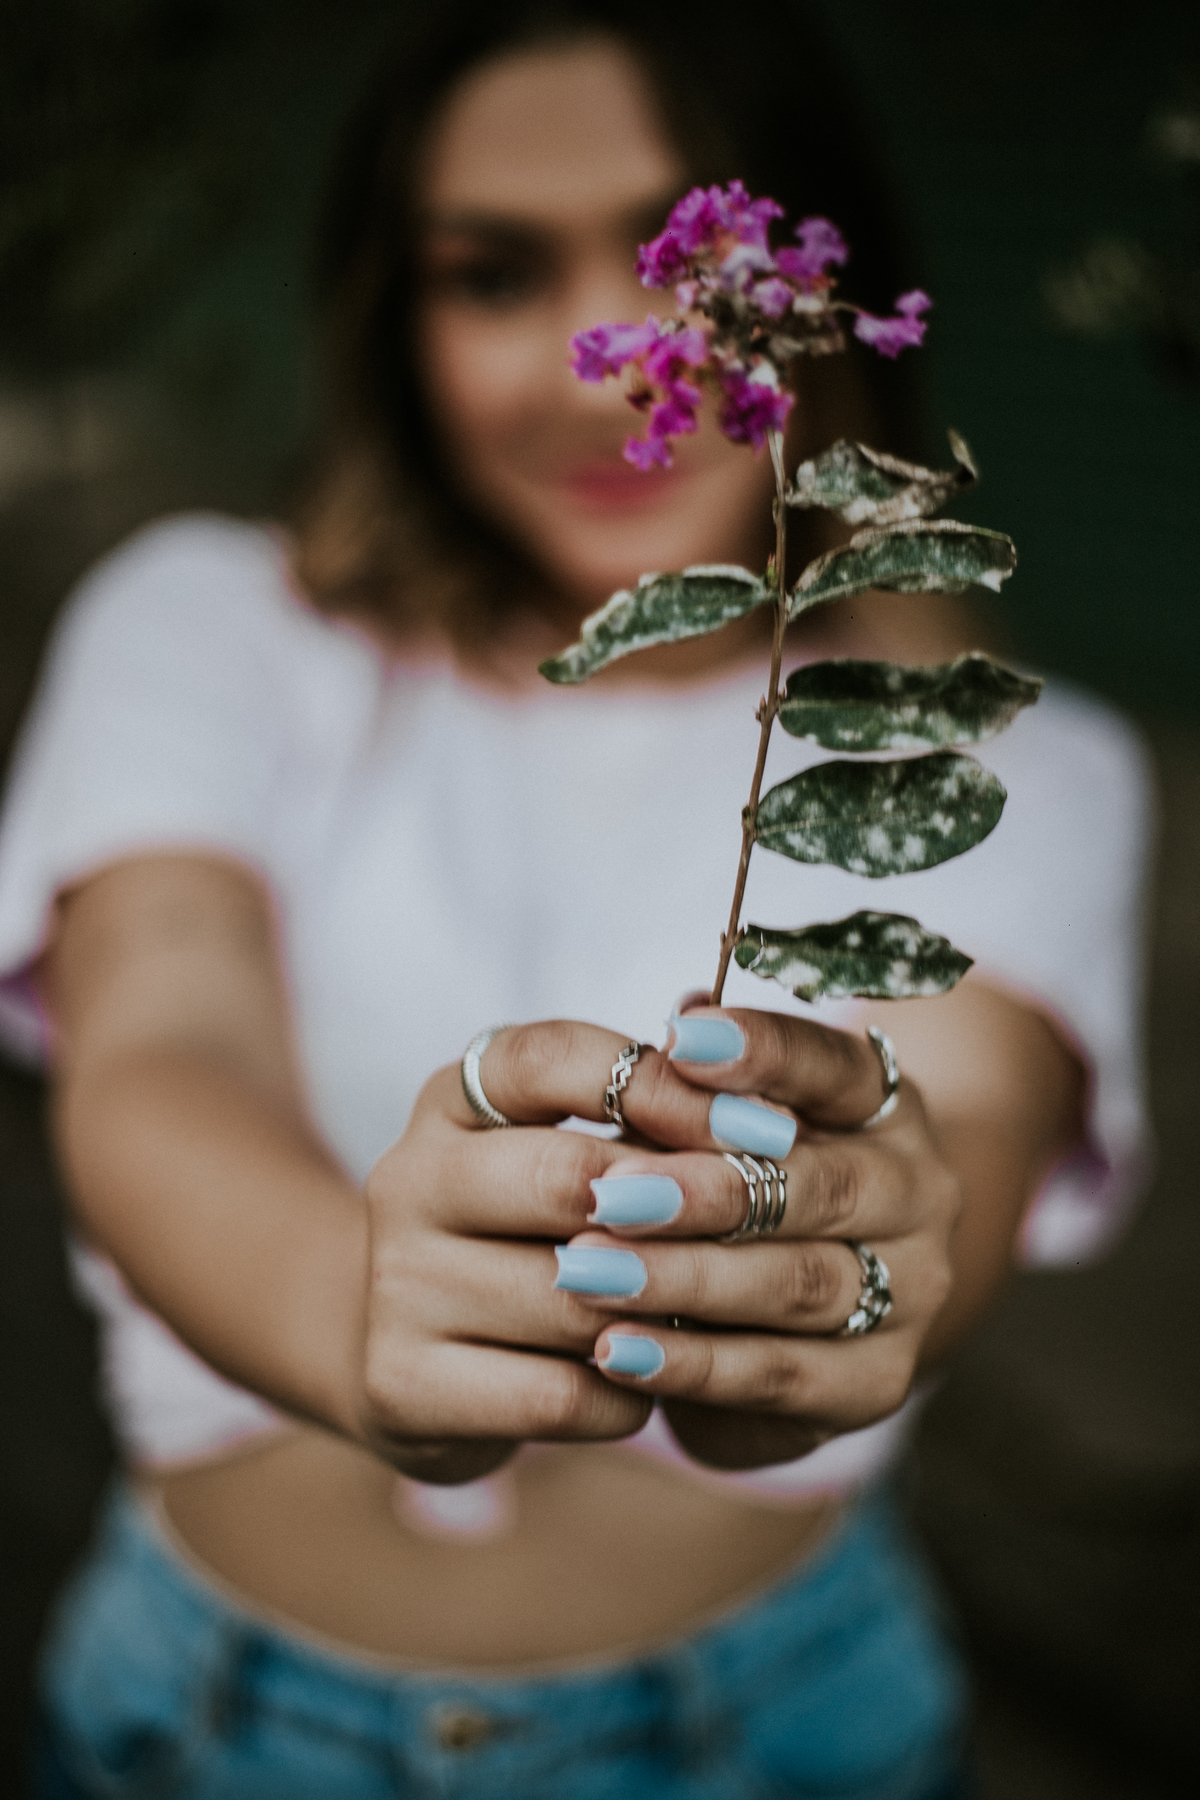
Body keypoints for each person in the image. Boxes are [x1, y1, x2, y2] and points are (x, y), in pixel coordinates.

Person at [0, 2, 1151, 1795]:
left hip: (775, 1729)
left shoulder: (1002, 759)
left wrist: (845, 1290)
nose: (610, 367)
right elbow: (159, 1047)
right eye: (490, 274)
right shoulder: (212, 627)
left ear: (830, 306)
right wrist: (354, 1318)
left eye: (696, 270)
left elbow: (961, 1140)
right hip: (206, 1718)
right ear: (391, 317)